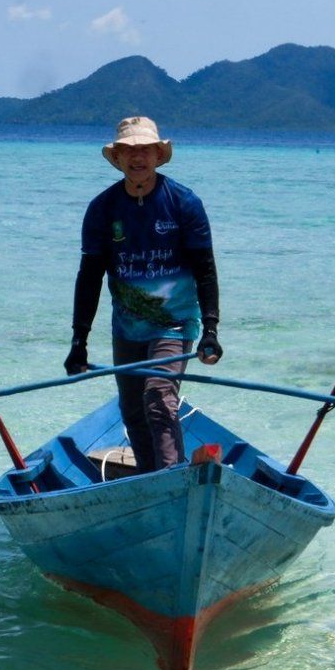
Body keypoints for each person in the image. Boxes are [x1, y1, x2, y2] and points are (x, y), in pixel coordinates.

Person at [63, 116, 222, 474]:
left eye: (144, 150)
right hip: (127, 329)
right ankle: (152, 480)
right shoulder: (102, 209)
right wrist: (79, 342)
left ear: (157, 154)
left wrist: (210, 329)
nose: (137, 158)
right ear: (117, 158)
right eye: (128, 151)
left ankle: (171, 478)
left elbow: (205, 270)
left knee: (158, 399)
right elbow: (89, 278)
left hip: (175, 325)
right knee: (133, 412)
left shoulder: (184, 203)